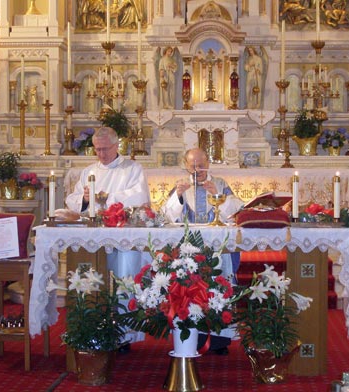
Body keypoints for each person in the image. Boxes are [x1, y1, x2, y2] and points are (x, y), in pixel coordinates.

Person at [66, 126, 150, 344]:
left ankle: (125, 335)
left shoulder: (131, 168)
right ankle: (92, 328)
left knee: (124, 278)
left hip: (123, 236)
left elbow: (139, 196)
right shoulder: (89, 172)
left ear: (116, 146)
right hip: (94, 238)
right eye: (97, 149)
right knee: (93, 277)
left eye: (105, 149)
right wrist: (86, 200)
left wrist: (103, 197)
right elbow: (73, 200)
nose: (101, 154)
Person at [162, 148, 244, 354]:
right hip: (188, 249)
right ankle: (191, 338)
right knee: (190, 292)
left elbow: (235, 212)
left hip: (217, 248)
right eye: (193, 166)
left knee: (218, 289)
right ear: (186, 165)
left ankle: (218, 340)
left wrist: (216, 193)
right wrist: (179, 196)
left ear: (208, 163)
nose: (197, 169)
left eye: (201, 165)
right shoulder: (181, 185)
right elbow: (168, 216)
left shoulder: (221, 184)